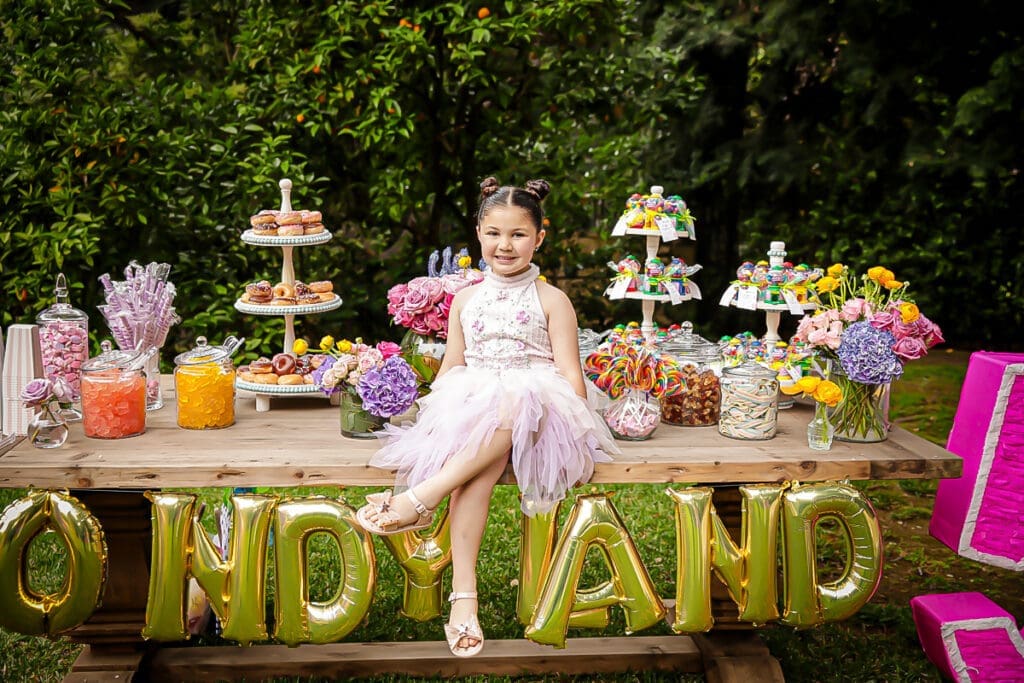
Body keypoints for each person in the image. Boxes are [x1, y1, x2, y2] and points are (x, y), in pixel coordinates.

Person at [356, 177, 618, 657]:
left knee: (519, 399)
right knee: (473, 478)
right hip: (479, 409)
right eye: (494, 233)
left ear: (540, 237)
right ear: (479, 233)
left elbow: (569, 375)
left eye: (518, 234)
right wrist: (439, 414)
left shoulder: (552, 300)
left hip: (540, 410)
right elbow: (455, 364)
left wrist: (570, 415)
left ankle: (419, 498)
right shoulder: (466, 300)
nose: (505, 244)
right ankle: (464, 599)